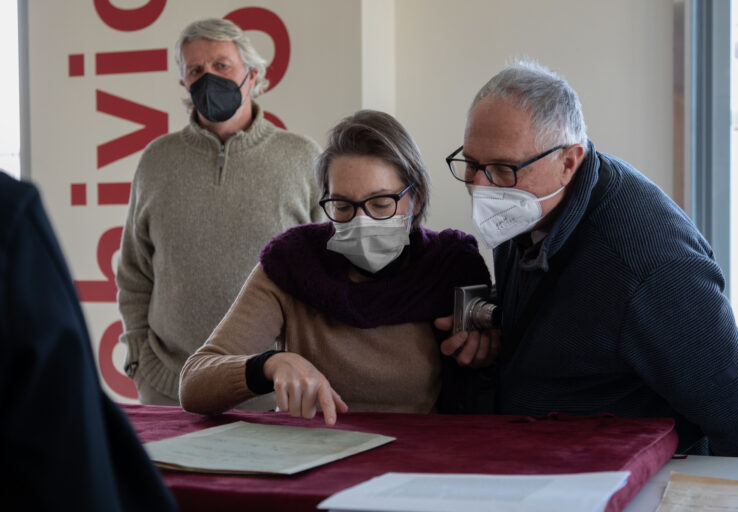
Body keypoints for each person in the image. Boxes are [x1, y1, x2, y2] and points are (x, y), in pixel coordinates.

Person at [438, 61, 738, 458]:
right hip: (537, 457)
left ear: (568, 162)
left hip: (626, 476)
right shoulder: (532, 205)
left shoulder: (647, 266)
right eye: (472, 165)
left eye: (502, 170)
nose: (479, 187)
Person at [179, 110, 491, 424]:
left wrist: (486, 356)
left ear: (417, 199)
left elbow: (493, 382)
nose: (361, 220)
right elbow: (194, 384)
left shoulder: (448, 266)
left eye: (381, 204)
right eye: (342, 206)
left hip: (419, 455)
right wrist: (266, 366)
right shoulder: (294, 263)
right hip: (314, 454)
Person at [116, 18, 323, 405]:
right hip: (167, 386)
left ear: (253, 73)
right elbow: (134, 272)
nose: (208, 78)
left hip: (271, 387)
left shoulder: (303, 158)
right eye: (195, 70)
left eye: (221, 65)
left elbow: (328, 273)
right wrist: (139, 358)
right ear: (183, 82)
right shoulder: (156, 161)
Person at [0, 171, 177, 511]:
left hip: (257, 403)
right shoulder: (9, 215)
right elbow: (62, 432)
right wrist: (141, 359)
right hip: (162, 389)